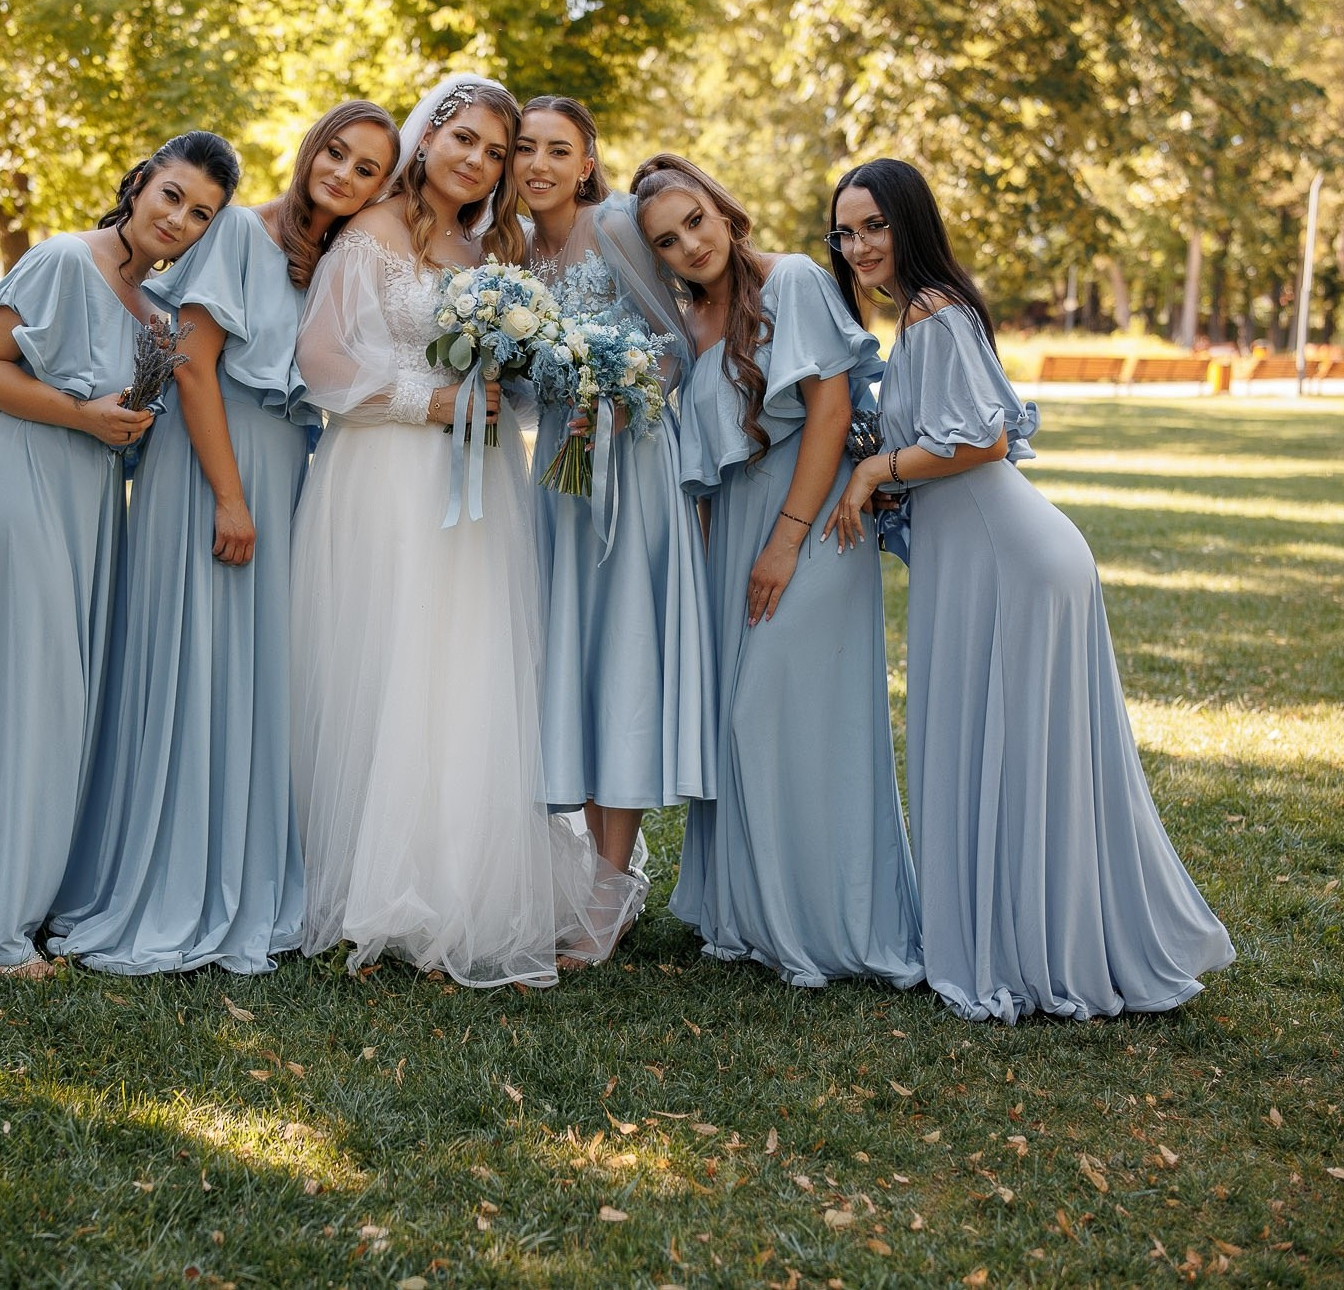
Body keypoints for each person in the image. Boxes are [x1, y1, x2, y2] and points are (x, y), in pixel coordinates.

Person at [824, 157, 1234, 1022]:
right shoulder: (928, 313)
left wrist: (872, 471)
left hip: (1008, 561)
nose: (858, 246)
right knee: (1018, 754)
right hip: (992, 556)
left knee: (1014, 752)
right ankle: (1035, 934)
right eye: (845, 232)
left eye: (874, 226)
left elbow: (982, 441)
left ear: (910, 222)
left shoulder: (932, 312)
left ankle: (1033, 948)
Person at [291, 75, 645, 988]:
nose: (480, 162)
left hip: (484, 481)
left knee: (468, 666)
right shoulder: (371, 230)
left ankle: (464, 881)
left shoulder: (491, 251)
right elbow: (320, 360)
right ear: (429, 135)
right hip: (389, 475)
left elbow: (509, 379)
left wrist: (531, 383)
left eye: (496, 151)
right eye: (467, 141)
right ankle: (383, 884)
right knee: (395, 660)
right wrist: (433, 401)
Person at [46, 104, 399, 975]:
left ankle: (239, 869)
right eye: (337, 153)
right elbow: (193, 365)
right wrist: (230, 497)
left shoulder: (332, 260)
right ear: (310, 149)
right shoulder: (239, 230)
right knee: (193, 660)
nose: (344, 175)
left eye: (367, 170)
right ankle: (167, 878)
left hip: (282, 469)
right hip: (211, 468)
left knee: (251, 669)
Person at [0, 132, 239, 977]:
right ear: (140, 184)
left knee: (62, 701)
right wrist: (84, 415)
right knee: (32, 694)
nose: (179, 220)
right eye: (172, 195)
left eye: (201, 214)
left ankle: (18, 892)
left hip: (90, 505)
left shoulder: (154, 312)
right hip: (20, 482)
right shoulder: (61, 260)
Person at [633, 154, 924, 990]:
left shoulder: (793, 280)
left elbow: (830, 412)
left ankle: (834, 923)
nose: (690, 245)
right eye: (667, 241)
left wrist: (787, 540)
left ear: (723, 210)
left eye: (695, 220)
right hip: (733, 533)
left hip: (817, 520)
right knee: (742, 720)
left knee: (777, 712)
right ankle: (755, 918)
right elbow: (702, 463)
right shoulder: (687, 324)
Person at [516, 96, 712, 893]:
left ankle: (608, 886)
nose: (538, 164)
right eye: (524, 148)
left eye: (558, 150)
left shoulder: (620, 225)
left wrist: (625, 397)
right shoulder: (514, 250)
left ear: (586, 164)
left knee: (621, 648)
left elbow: (679, 340)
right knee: (577, 653)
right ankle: (604, 872)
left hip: (631, 461)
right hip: (560, 467)